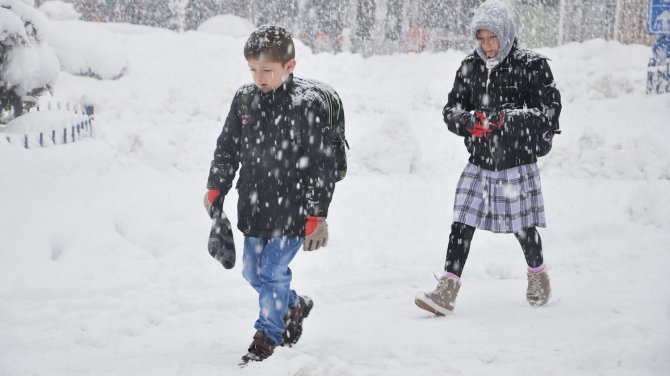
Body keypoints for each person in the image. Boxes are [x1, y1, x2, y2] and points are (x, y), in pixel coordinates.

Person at [204, 25, 342, 363]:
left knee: (271, 272)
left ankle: (268, 333)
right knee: (253, 272)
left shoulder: (305, 105)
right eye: (253, 69)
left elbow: (321, 166)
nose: (259, 77)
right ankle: (292, 305)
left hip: (293, 209)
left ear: (289, 66)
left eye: (267, 70)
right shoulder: (245, 100)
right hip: (253, 206)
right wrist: (216, 187)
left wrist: (315, 214)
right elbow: (227, 147)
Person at [415, 0, 561, 315]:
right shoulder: (470, 65)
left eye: (492, 37)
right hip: (480, 160)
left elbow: (549, 113)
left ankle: (538, 276)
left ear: (506, 34)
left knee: (522, 226)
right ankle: (447, 290)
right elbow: (451, 110)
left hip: (516, 161)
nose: (487, 45)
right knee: (462, 222)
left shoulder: (532, 65)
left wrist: (505, 120)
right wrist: (469, 122)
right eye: (481, 38)